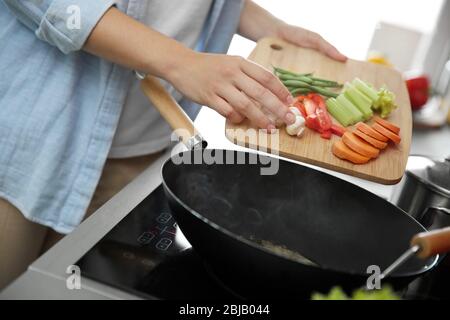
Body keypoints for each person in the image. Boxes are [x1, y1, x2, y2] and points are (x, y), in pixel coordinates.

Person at [0, 0, 346, 289]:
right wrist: (181, 62)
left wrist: (266, 25)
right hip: (28, 141)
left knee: (63, 293)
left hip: (142, 154)